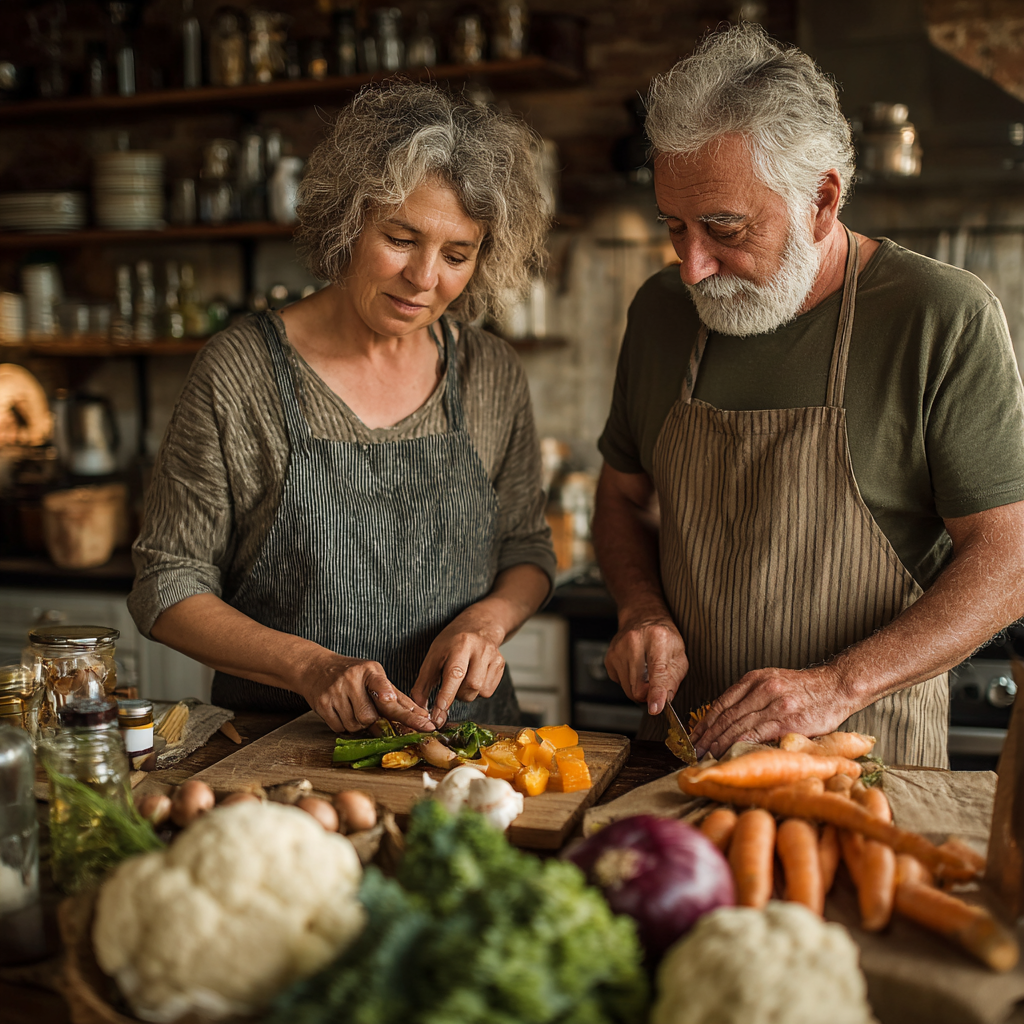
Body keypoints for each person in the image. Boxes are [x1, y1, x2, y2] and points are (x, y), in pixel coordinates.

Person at [593, 24, 1024, 767]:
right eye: (674, 227)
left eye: (724, 228)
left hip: (865, 762)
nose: (693, 267)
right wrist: (640, 608)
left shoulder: (939, 314)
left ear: (822, 199)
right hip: (682, 760)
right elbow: (623, 499)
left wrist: (836, 685)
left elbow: (1010, 559)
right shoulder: (660, 311)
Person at [128, 82, 555, 734]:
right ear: (348, 220)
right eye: (402, 238)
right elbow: (167, 585)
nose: (424, 278)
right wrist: (308, 666)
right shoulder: (241, 374)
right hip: (280, 751)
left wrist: (486, 621)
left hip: (464, 746)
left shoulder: (490, 372)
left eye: (457, 254)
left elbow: (527, 549)